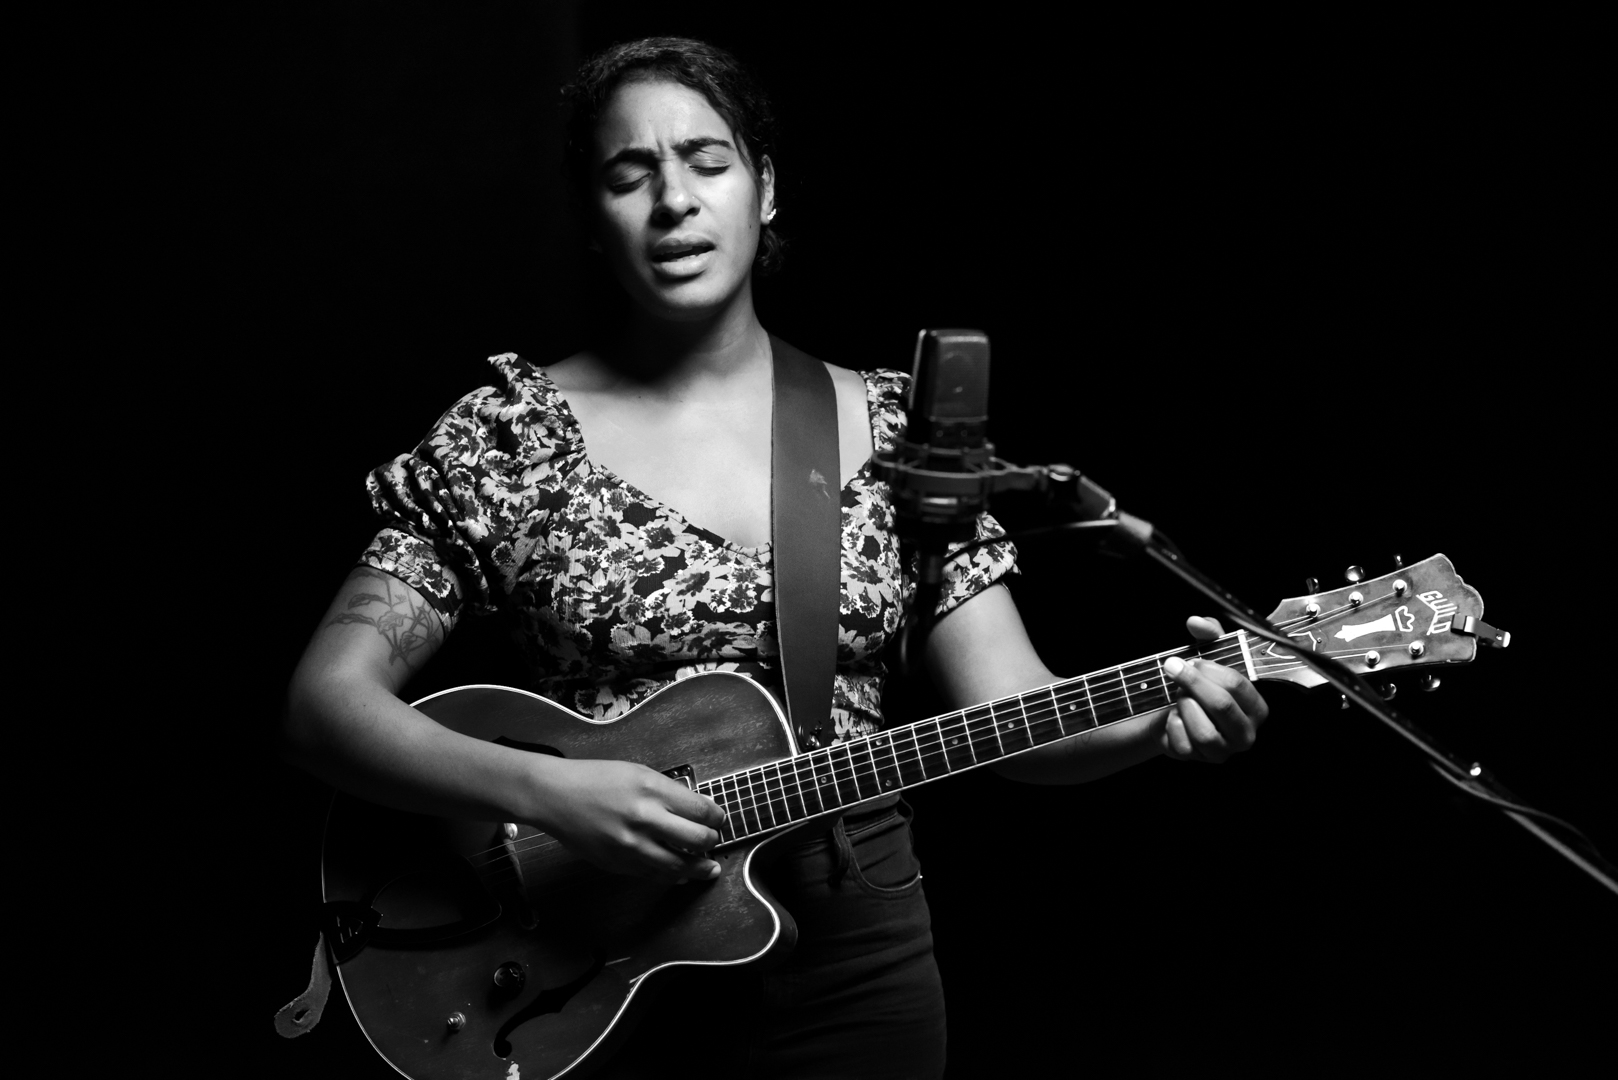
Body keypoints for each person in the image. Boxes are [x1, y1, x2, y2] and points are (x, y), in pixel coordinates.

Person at [280, 36, 1269, 1079]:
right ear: (591, 217)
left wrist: (1158, 715)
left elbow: (1015, 714)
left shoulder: (900, 430)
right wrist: (547, 793)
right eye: (630, 173)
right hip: (586, 955)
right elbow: (323, 707)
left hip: (854, 955)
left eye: (706, 160)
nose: (673, 200)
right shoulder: (509, 437)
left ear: (764, 190)